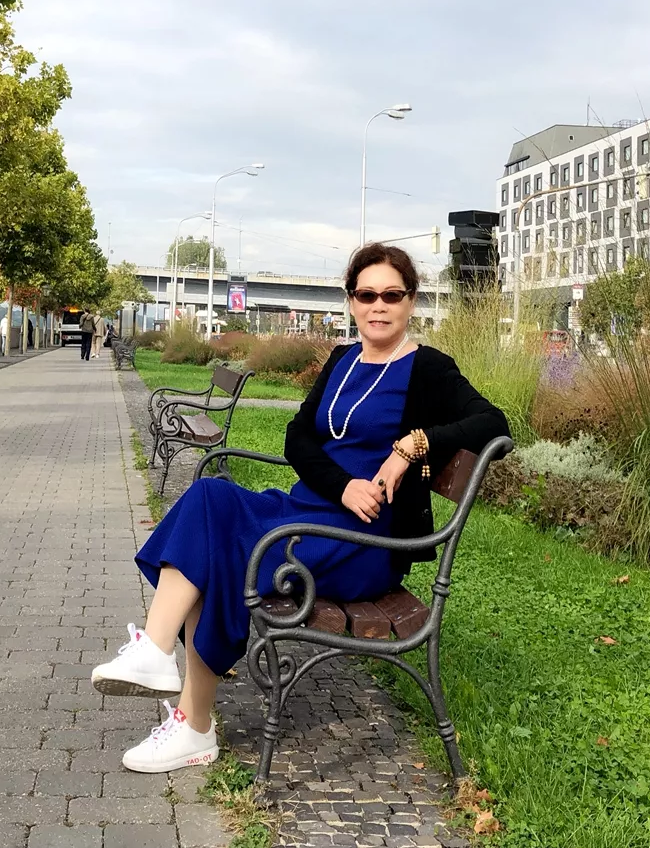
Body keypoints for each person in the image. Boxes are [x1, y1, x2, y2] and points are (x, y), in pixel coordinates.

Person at [91, 243, 509, 773]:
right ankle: (158, 656)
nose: (378, 306)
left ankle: (192, 722)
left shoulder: (429, 368)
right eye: (366, 295)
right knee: (210, 498)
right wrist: (342, 486)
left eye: (391, 295)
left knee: (221, 551)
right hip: (310, 509)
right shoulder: (342, 361)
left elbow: (493, 424)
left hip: (365, 539)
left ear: (410, 301)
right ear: (351, 301)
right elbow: (298, 438)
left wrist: (412, 446)